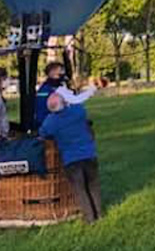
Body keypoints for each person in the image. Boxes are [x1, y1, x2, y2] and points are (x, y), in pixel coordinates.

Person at [40, 91, 102, 224]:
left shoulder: (50, 121)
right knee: (93, 185)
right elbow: (80, 109)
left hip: (71, 160)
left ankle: (90, 219)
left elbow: (42, 133)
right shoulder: (78, 111)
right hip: (89, 155)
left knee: (80, 190)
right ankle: (99, 214)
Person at [35, 61, 98, 127]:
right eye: (61, 71)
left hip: (48, 120)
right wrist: (91, 90)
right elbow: (75, 100)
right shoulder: (53, 89)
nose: (63, 73)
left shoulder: (47, 86)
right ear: (53, 73)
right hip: (50, 123)